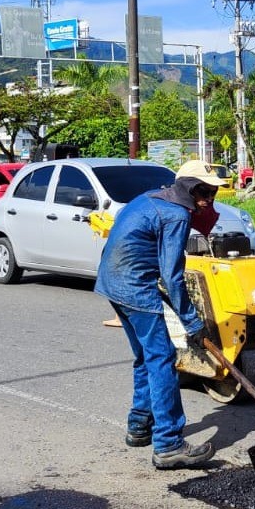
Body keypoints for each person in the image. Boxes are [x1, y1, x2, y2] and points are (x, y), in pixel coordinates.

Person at [95, 159, 223, 470]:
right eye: (205, 192)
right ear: (190, 189)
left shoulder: (151, 198)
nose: (209, 199)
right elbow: (173, 275)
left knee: (145, 355)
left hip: (112, 282)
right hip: (134, 287)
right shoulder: (176, 214)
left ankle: (139, 425)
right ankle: (168, 444)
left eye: (213, 193)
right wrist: (193, 322)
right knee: (164, 358)